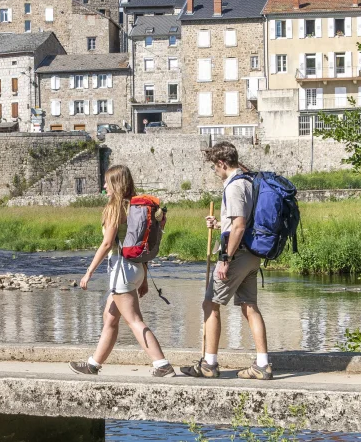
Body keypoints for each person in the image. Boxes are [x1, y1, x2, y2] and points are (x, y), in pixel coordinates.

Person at [70, 164, 175, 378]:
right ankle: (93, 365)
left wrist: (89, 272)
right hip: (135, 270)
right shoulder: (136, 207)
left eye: (107, 182)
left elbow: (107, 243)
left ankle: (162, 364)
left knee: (134, 320)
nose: (104, 186)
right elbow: (140, 243)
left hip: (121, 271)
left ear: (116, 184)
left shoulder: (115, 208)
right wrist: (143, 278)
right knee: (110, 318)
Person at [180, 141, 272, 381]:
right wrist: (220, 225)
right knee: (249, 306)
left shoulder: (233, 187)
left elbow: (240, 226)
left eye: (214, 167)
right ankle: (262, 364)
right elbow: (240, 223)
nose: (215, 172)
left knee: (210, 304)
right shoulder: (250, 182)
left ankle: (208, 363)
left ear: (221, 163)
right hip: (252, 255)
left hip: (237, 255)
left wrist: (224, 259)